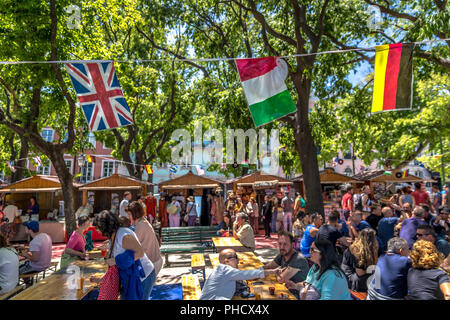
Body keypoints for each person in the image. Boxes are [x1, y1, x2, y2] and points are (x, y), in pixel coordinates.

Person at [93, 210, 155, 300]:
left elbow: (140, 253)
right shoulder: (113, 237)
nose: (97, 231)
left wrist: (115, 260)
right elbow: (115, 265)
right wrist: (103, 278)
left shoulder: (123, 235)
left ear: (104, 226)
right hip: (130, 278)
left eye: (98, 228)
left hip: (143, 276)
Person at [285, 239, 351, 300]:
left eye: (312, 249)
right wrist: (295, 286)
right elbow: (308, 284)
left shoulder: (332, 275)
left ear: (323, 253)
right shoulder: (316, 267)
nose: (309, 251)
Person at [199, 248, 277, 300]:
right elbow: (246, 274)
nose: (238, 260)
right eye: (235, 257)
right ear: (227, 261)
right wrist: (271, 271)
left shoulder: (220, 269)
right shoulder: (225, 269)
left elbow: (243, 275)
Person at [263, 231, 310, 299]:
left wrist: (274, 272)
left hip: (296, 295)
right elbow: (268, 266)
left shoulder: (298, 259)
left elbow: (281, 278)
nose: (282, 247)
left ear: (292, 244)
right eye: (280, 244)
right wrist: (256, 270)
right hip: (284, 290)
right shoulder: (282, 254)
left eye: (285, 244)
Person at [127, 201, 163, 276]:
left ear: (135, 214)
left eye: (129, 214)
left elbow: (131, 245)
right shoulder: (142, 221)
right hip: (153, 261)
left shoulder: (141, 225)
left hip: (152, 263)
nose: (128, 217)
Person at [341, 228, 378, 292]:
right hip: (352, 277)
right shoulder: (357, 250)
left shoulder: (368, 249)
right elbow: (360, 273)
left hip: (359, 275)